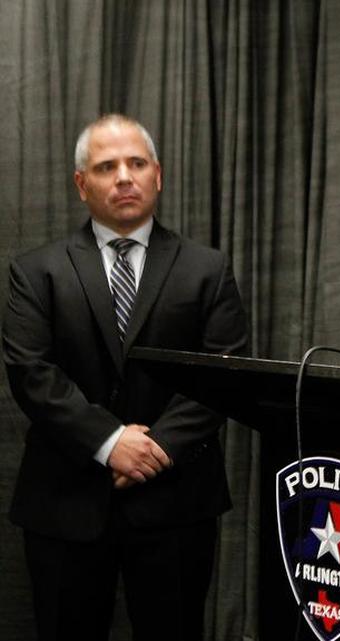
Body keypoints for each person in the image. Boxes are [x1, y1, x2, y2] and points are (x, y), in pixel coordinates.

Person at [3, 114, 249, 641]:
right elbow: (31, 372)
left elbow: (223, 370)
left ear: (157, 175)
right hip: (65, 504)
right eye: (106, 166)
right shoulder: (36, 271)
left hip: (177, 504)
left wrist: (153, 448)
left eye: (136, 163)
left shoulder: (207, 269)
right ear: (81, 183)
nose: (123, 177)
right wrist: (110, 442)